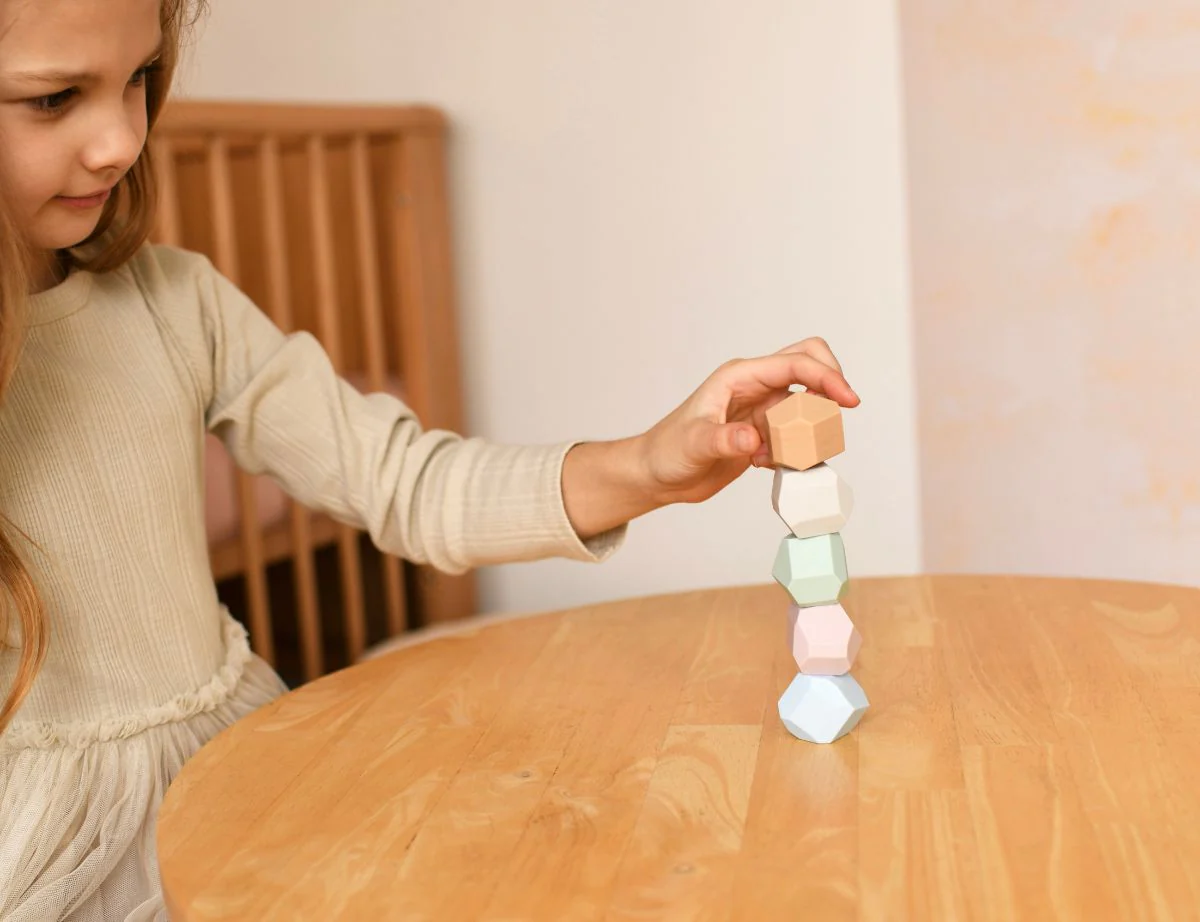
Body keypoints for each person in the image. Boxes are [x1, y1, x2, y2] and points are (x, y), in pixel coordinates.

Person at [0, 0, 861, 918]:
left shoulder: (177, 305)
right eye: (54, 100)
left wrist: (650, 464)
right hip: (49, 841)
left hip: (233, 765)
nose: (119, 141)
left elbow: (407, 482)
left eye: (138, 79)